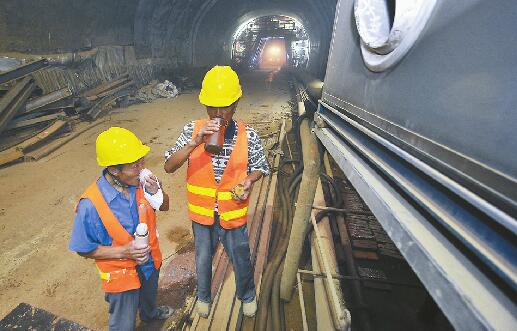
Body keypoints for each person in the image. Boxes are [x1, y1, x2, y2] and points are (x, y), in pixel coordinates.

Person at [164, 66, 270, 318]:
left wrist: (248, 180)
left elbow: (261, 167)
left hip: (232, 213)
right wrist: (195, 142)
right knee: (202, 260)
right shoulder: (193, 130)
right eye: (212, 107)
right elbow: (169, 166)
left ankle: (247, 295)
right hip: (203, 216)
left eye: (225, 107)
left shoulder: (248, 135)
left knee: (240, 257)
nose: (218, 114)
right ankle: (203, 297)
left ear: (236, 104)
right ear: (204, 106)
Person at [69, 127, 174, 330]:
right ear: (114, 170)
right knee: (123, 323)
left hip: (150, 261)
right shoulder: (91, 205)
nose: (142, 168)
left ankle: (150, 314)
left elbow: (165, 206)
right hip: (121, 274)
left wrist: (157, 191)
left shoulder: (141, 183)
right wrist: (124, 251)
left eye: (141, 160)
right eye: (134, 165)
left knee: (149, 296)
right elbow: (83, 248)